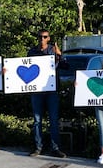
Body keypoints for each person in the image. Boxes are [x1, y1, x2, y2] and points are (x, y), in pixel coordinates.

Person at [27, 29, 66, 158]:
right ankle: (38, 147)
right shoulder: (32, 52)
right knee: (37, 120)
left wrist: (60, 55)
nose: (42, 39)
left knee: (53, 120)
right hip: (37, 91)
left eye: (44, 37)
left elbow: (66, 66)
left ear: (48, 38)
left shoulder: (53, 50)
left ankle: (55, 148)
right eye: (40, 37)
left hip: (52, 91)